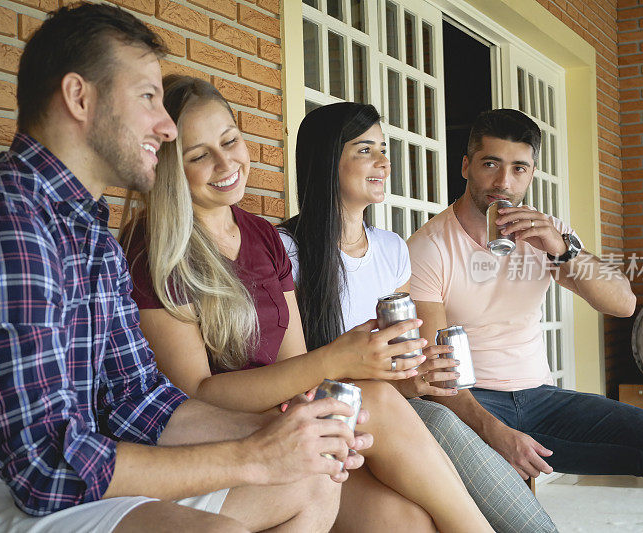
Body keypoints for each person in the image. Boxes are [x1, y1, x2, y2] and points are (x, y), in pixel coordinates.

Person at [0, 5, 371, 532]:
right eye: (148, 98)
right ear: (80, 98)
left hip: (56, 471)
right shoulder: (5, 223)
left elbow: (137, 399)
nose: (165, 127)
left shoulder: (90, 231)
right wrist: (253, 455)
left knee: (312, 477)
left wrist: (289, 433)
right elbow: (45, 465)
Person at [121, 75, 494, 533]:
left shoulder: (261, 237)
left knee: (408, 520)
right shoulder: (154, 249)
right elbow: (195, 395)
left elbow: (294, 364)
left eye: (230, 140)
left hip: (285, 420)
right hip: (214, 442)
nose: (225, 162)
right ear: (167, 166)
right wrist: (337, 359)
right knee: (377, 405)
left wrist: (339, 381)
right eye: (199, 155)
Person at [407, 108, 643, 532]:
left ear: (531, 174)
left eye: (518, 169)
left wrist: (563, 250)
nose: (504, 182)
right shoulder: (429, 247)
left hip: (539, 398)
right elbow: (439, 375)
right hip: (470, 401)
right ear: (466, 166)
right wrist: (494, 431)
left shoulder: (545, 232)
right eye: (491, 164)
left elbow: (624, 303)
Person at [279, 101, 558, 533]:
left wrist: (418, 376)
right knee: (438, 444)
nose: (383, 162)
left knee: (444, 439)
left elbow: (399, 360)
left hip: (392, 409)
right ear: (325, 157)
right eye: (364, 149)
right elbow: (295, 371)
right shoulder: (284, 250)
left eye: (384, 149)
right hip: (334, 413)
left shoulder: (391, 250)